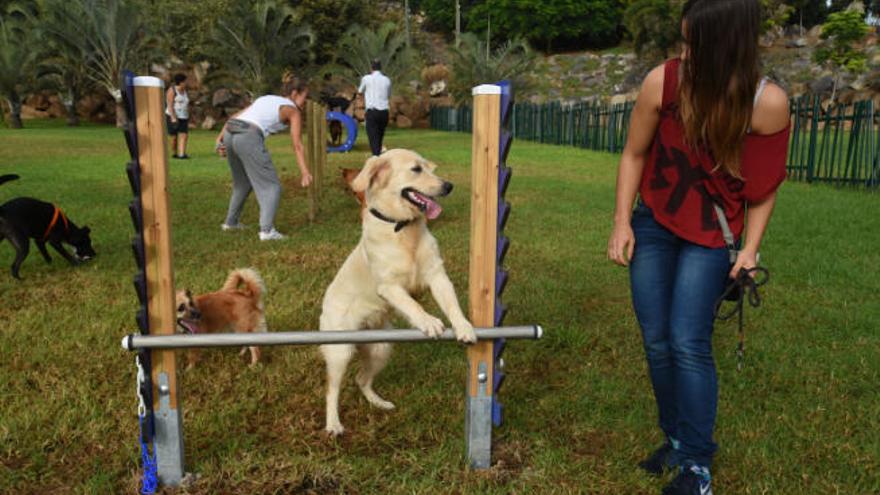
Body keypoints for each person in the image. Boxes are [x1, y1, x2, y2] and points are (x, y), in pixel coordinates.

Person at [606, 1, 790, 494]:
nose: (683, 53)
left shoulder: (764, 102)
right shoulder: (663, 82)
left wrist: (749, 249)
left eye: (694, 43)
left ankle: (696, 464)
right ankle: (675, 439)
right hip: (654, 226)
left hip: (713, 236)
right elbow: (634, 152)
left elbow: (764, 187)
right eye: (682, 39)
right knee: (656, 341)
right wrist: (622, 221)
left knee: (688, 342)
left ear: (729, 43)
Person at [215, 77, 313, 241]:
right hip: (248, 136)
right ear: (295, 94)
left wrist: (220, 140)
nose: (306, 102)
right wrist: (304, 172)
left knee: (243, 183)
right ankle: (267, 231)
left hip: (231, 131)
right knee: (271, 186)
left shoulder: (266, 98)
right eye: (305, 97)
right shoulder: (292, 110)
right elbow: (297, 145)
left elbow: (235, 117)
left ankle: (230, 223)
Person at [358, 59, 391, 156]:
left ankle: (376, 158)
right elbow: (388, 94)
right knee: (380, 136)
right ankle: (378, 156)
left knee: (373, 137)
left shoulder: (366, 78)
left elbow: (360, 91)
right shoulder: (387, 80)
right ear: (381, 68)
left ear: (371, 68)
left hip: (372, 112)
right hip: (384, 112)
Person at [165, 73, 190, 159]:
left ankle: (182, 154)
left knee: (184, 135)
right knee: (174, 137)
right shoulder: (172, 90)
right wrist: (173, 117)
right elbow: (170, 104)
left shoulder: (185, 91)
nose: (187, 83)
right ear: (181, 82)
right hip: (173, 116)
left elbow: (186, 104)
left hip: (184, 116)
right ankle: (174, 153)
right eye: (185, 81)